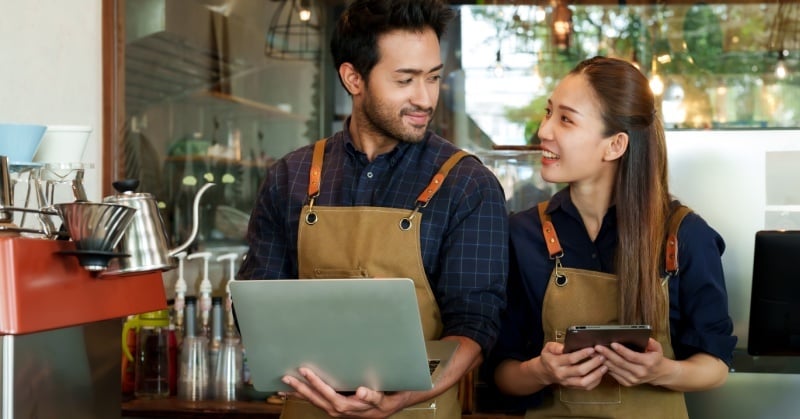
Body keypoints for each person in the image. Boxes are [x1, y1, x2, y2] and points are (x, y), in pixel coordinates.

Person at [237, 1, 509, 418]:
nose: (425, 98)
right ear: (353, 78)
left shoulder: (467, 184)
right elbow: (257, 310)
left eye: (433, 78)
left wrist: (400, 398)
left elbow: (475, 327)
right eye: (406, 80)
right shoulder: (289, 177)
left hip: (419, 411)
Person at [486, 56, 736, 418]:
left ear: (615, 145)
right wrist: (538, 371)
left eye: (566, 119)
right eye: (549, 112)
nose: (543, 131)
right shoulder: (521, 234)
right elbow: (502, 376)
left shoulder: (685, 235)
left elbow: (715, 365)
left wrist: (663, 370)